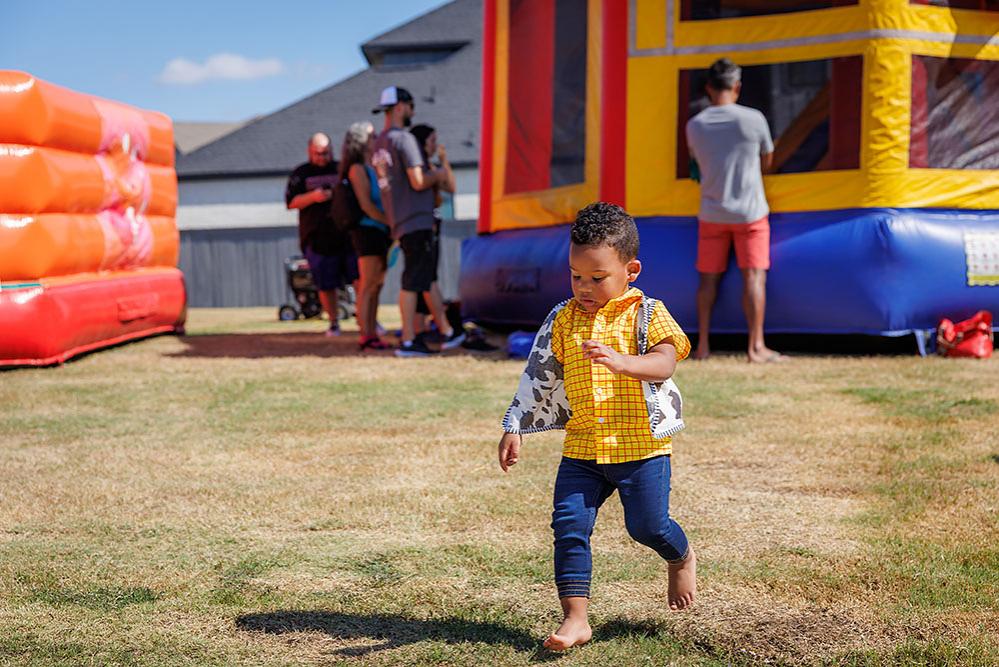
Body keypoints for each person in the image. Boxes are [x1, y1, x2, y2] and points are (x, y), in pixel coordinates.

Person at [496, 202, 696, 651]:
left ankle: (680, 556)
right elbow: (539, 375)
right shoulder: (564, 318)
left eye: (597, 277)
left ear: (631, 270)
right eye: (575, 275)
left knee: (647, 526)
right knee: (568, 526)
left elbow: (665, 363)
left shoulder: (648, 313)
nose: (583, 287)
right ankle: (575, 618)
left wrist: (624, 362)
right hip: (583, 449)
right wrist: (515, 425)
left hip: (641, 449)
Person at [685, 58, 784, 363]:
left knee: (707, 281)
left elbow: (697, 165)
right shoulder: (753, 119)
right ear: (737, 87)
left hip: (712, 213)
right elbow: (768, 161)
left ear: (708, 88)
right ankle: (756, 347)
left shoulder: (694, 125)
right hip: (750, 213)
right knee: (753, 277)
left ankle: (701, 346)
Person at [371, 86, 465, 357]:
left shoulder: (379, 143)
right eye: (411, 106)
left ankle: (444, 331)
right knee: (412, 280)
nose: (413, 112)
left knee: (421, 278)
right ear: (400, 107)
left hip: (400, 219)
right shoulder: (404, 139)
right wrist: (437, 173)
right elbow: (419, 180)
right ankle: (410, 340)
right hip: (417, 219)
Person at [286, 132, 358, 336]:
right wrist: (314, 197)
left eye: (326, 153)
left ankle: (366, 319)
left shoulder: (341, 168)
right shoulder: (301, 173)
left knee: (359, 277)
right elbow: (291, 203)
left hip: (345, 234)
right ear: (310, 151)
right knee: (325, 283)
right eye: (318, 153)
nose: (322, 158)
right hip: (317, 237)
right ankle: (334, 322)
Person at [341, 121, 392, 351]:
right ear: (362, 141)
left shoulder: (372, 167)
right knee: (367, 285)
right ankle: (365, 334)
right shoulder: (356, 170)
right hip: (367, 232)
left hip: (380, 231)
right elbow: (367, 206)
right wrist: (391, 223)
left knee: (377, 285)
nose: (377, 140)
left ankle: (372, 332)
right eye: (372, 137)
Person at [408, 123, 456, 338]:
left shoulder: (430, 166)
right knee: (425, 277)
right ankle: (442, 328)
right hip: (421, 226)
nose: (435, 145)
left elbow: (451, 187)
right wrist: (437, 173)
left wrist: (444, 161)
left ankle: (421, 327)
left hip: (433, 224)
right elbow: (422, 184)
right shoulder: (416, 168)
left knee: (424, 276)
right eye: (432, 141)